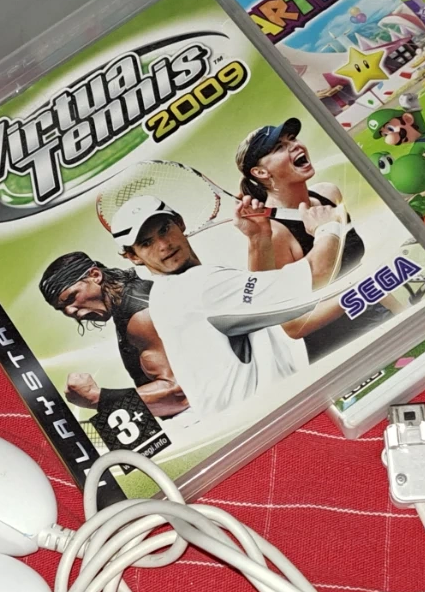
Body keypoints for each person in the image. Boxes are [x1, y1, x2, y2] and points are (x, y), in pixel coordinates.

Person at [109, 193, 345, 416]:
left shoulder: (165, 293)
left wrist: (258, 239)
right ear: (133, 256)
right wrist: (328, 227)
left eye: (164, 229)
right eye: (146, 243)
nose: (163, 245)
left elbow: (258, 309)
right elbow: (316, 275)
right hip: (266, 417)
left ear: (179, 222)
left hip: (257, 418)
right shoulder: (198, 286)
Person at [235, 117, 389, 360]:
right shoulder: (276, 235)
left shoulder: (329, 193)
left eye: (292, 138)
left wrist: (399, 308)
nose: (295, 146)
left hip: (384, 321)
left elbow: (360, 269)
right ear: (261, 172)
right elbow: (294, 326)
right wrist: (362, 288)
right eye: (279, 147)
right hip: (342, 351)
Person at [38, 252, 187, 417]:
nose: (71, 312)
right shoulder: (128, 303)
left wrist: (97, 398)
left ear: (95, 275)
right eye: (62, 309)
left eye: (71, 297)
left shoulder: (139, 315)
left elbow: (180, 393)